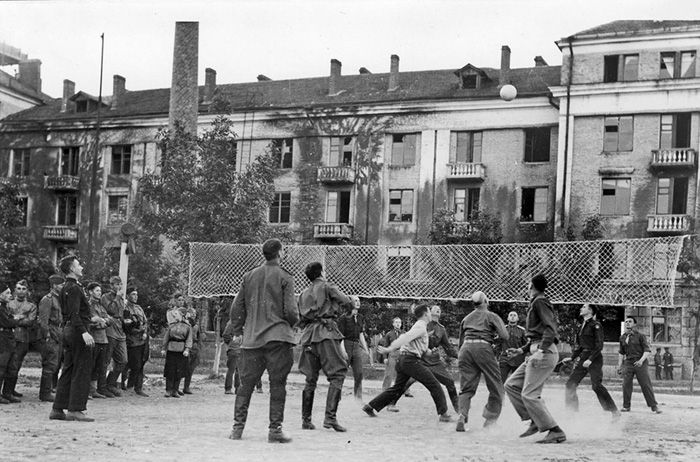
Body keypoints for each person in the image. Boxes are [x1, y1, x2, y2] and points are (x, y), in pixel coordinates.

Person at [229, 238, 299, 443]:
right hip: (278, 339)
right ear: (279, 253)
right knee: (278, 385)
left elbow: (237, 308)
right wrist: (295, 323)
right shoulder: (285, 276)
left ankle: (237, 429)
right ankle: (275, 430)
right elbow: (291, 311)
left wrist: (239, 329)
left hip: (252, 341)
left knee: (245, 385)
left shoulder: (249, 275)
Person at [362, 304, 452, 422]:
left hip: (405, 360)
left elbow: (422, 350)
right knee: (434, 384)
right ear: (425, 314)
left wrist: (432, 352)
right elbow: (404, 338)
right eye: (429, 312)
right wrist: (389, 349)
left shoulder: (421, 327)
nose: (431, 314)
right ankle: (444, 414)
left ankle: (370, 406)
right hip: (410, 361)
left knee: (397, 388)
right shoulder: (420, 326)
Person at [504, 274, 566, 444]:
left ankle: (555, 431)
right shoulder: (536, 302)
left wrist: (541, 351)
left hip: (543, 353)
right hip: (536, 350)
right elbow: (534, 337)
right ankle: (534, 420)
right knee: (511, 385)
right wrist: (520, 350)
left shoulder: (540, 301)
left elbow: (550, 328)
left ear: (531, 285)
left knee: (529, 394)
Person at [297, 261, 351, 432]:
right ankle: (330, 418)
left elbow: (301, 319)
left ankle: (306, 420)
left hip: (309, 336)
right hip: (326, 333)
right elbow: (346, 301)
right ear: (321, 273)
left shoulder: (303, 294)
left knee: (310, 379)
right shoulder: (328, 286)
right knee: (337, 374)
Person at [50, 255, 96, 422]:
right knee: (81, 370)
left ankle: (57, 408)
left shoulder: (65, 287)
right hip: (77, 331)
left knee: (68, 369)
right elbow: (75, 312)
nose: (81, 267)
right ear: (71, 269)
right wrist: (84, 331)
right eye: (78, 265)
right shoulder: (75, 288)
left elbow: (70, 313)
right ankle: (75, 409)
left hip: (68, 330)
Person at [455, 291, 509, 432]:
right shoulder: (491, 316)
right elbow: (505, 335)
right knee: (497, 386)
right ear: (486, 301)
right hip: (483, 348)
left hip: (465, 350)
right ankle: (490, 420)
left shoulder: (466, 318)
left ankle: (462, 416)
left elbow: (461, 342)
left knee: (466, 388)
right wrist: (492, 341)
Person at [563, 304, 620, 422]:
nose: (581, 309)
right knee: (570, 384)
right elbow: (580, 346)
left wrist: (590, 359)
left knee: (596, 386)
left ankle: (614, 411)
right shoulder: (582, 326)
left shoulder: (596, 325)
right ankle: (571, 412)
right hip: (583, 358)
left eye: (584, 307)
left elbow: (599, 346)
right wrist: (572, 357)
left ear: (590, 310)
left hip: (594, 359)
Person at [618, 316, 661, 414]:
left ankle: (654, 406)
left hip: (640, 362)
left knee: (645, 384)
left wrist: (641, 361)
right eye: (626, 322)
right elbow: (621, 352)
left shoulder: (640, 336)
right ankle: (626, 406)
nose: (627, 323)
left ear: (634, 324)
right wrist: (620, 365)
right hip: (628, 362)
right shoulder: (622, 337)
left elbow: (647, 350)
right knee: (626, 384)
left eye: (630, 322)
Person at [3, 279, 37, 401]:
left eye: (23, 289)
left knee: (16, 365)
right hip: (8, 337)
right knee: (4, 364)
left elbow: (31, 321)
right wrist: (20, 317)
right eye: (18, 288)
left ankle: (10, 389)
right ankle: (6, 391)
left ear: (27, 291)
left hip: (22, 338)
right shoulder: (8, 303)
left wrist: (14, 319)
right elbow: (5, 318)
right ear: (15, 290)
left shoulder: (31, 306)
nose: (21, 291)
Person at [337, 295, 373, 399]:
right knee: (342, 373)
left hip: (356, 346)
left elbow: (361, 334)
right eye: (355, 300)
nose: (358, 302)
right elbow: (341, 336)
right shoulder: (343, 318)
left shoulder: (361, 317)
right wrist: (343, 350)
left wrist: (366, 349)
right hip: (346, 344)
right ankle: (337, 396)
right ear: (350, 303)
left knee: (359, 373)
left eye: (359, 301)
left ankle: (358, 398)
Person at [37, 274, 65, 402]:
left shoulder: (59, 299)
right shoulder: (47, 300)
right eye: (61, 285)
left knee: (55, 364)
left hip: (58, 332)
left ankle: (49, 390)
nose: (63, 287)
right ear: (54, 286)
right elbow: (43, 321)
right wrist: (47, 336)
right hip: (51, 334)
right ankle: (45, 393)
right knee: (50, 364)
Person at [101, 276, 127, 398]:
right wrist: (117, 297)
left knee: (123, 360)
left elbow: (121, 313)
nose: (119, 287)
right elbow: (110, 309)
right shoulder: (105, 297)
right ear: (111, 286)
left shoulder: (121, 299)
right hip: (110, 329)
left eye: (120, 284)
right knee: (105, 360)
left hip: (120, 330)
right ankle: (102, 387)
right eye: (116, 284)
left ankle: (110, 383)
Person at [86, 282, 111, 399]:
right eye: (97, 290)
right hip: (93, 339)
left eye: (100, 291)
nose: (99, 293)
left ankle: (93, 389)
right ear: (90, 292)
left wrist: (102, 321)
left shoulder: (101, 306)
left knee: (99, 366)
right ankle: (87, 391)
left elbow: (110, 320)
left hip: (103, 339)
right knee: (90, 365)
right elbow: (92, 322)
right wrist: (102, 322)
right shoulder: (89, 305)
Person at [123, 287, 149, 396]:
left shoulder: (139, 308)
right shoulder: (126, 309)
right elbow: (127, 326)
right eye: (133, 294)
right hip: (132, 341)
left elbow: (145, 322)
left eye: (136, 294)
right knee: (133, 364)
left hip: (142, 340)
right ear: (128, 295)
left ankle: (138, 387)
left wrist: (144, 332)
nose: (135, 296)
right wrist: (139, 330)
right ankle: (127, 385)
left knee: (141, 363)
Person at [161, 312, 193, 398]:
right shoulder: (171, 325)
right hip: (171, 349)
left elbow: (189, 339)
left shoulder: (187, 326)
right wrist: (164, 348)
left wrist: (187, 349)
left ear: (182, 315)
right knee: (170, 370)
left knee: (179, 371)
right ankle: (168, 390)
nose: (175, 316)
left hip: (181, 350)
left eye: (177, 314)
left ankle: (175, 390)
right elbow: (166, 337)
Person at [0, 286, 20, 405]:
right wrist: (16, 320)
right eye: (7, 293)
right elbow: (7, 322)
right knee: (2, 367)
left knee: (12, 367)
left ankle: (7, 393)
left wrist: (13, 320)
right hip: (2, 338)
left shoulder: (4, 307)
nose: (10, 295)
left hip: (9, 338)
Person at [496, 311, 527, 383]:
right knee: (501, 380)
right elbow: (498, 344)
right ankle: (500, 393)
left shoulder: (522, 331)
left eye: (514, 315)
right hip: (505, 358)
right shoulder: (503, 329)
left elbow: (526, 344)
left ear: (517, 319)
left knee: (517, 381)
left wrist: (526, 356)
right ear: (508, 318)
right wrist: (497, 356)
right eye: (511, 315)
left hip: (518, 359)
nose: (512, 317)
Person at [183, 307, 202, 394]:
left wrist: (199, 345)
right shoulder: (185, 323)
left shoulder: (197, 325)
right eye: (191, 313)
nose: (193, 314)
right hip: (186, 347)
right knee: (183, 367)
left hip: (194, 346)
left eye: (195, 313)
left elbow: (199, 336)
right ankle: (176, 387)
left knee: (191, 368)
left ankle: (186, 387)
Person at [222, 320, 240, 395]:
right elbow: (226, 335)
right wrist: (232, 343)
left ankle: (238, 388)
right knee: (231, 370)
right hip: (233, 349)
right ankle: (228, 388)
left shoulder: (241, 322)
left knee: (239, 371)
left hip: (240, 349)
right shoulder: (231, 323)